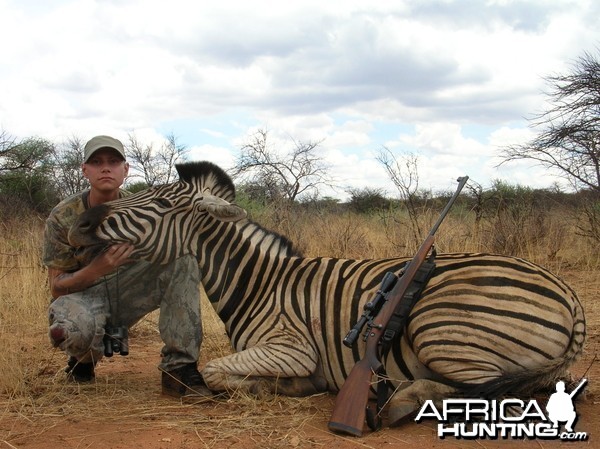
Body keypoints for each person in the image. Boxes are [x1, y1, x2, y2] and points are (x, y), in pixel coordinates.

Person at [44, 135, 211, 399]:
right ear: (85, 170)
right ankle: (82, 361)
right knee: (71, 331)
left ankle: (179, 369)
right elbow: (56, 287)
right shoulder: (64, 215)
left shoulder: (139, 207)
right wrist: (97, 269)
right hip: (83, 295)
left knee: (183, 259)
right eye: (97, 162)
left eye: (113, 161)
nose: (106, 168)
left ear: (125, 170)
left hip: (130, 291)